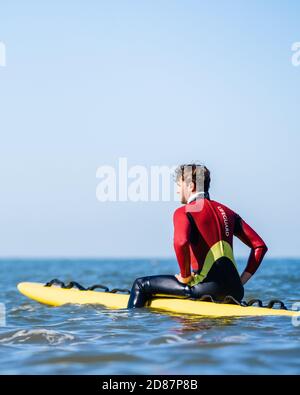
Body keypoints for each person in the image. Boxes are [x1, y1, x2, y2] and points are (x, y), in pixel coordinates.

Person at [127, 164, 268, 308]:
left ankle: (129, 322)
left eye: (178, 184)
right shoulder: (228, 212)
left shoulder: (184, 211)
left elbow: (181, 242)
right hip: (236, 291)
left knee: (140, 285)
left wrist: (185, 276)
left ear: (191, 186)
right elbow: (260, 246)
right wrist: (240, 281)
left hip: (204, 288)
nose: (176, 190)